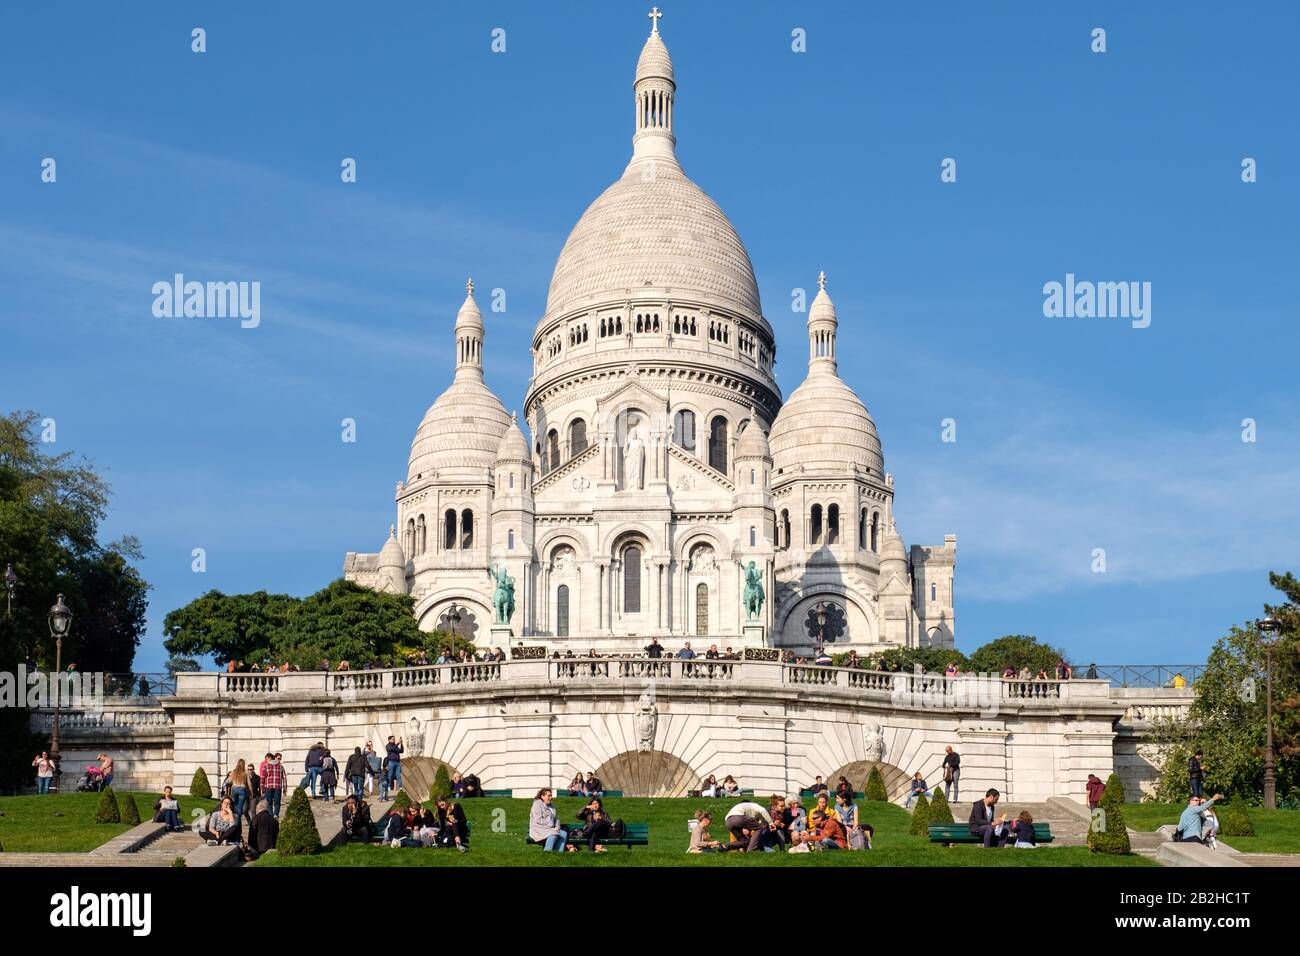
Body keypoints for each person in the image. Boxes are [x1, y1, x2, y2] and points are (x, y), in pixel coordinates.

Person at [258, 752, 285, 818]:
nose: (266, 760)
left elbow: (262, 778)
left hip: (268, 787)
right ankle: (276, 814)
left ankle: (270, 815)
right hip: (278, 787)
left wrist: (262, 788)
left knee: (269, 803)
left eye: (267, 758)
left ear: (270, 758)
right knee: (277, 802)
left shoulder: (266, 766)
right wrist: (284, 788)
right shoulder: (280, 766)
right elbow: (284, 777)